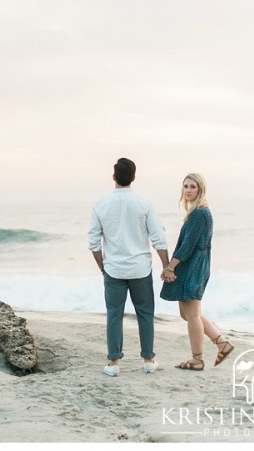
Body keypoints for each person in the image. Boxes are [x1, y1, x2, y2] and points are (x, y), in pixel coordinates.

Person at [88, 158, 170, 377]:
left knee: (114, 314)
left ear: (113, 177)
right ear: (134, 177)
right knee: (145, 313)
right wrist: (167, 266)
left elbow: (93, 242)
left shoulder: (100, 204)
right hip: (140, 268)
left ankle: (113, 362)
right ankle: (149, 360)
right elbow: (158, 237)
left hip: (113, 269)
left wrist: (103, 267)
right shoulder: (144, 203)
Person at [160, 173, 235, 370]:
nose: (188, 190)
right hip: (193, 265)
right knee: (187, 314)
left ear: (200, 189)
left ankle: (197, 359)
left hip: (193, 267)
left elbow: (187, 245)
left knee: (192, 314)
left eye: (192, 186)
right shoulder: (197, 212)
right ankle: (221, 343)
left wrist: (170, 267)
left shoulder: (200, 213)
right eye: (185, 186)